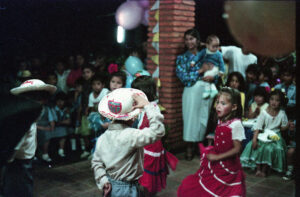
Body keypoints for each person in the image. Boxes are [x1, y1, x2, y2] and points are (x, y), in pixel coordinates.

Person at [92, 88, 165, 197]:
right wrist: (148, 105)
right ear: (133, 117)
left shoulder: (103, 138)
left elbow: (96, 162)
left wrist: (103, 180)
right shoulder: (131, 135)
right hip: (127, 189)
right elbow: (158, 130)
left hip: (110, 185)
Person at [177, 87, 246, 197]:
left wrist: (217, 157)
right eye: (217, 102)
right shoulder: (221, 120)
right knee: (209, 185)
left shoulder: (236, 124)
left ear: (234, 107)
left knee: (224, 190)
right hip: (217, 162)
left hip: (228, 165)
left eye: (223, 103)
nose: (218, 106)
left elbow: (237, 149)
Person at [3, 79, 56, 197]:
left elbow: (13, 149)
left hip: (21, 163)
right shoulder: (24, 120)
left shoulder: (27, 120)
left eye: (39, 98)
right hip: (18, 163)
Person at [131, 76, 178, 196]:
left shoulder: (152, 110)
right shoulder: (141, 108)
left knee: (147, 182)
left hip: (150, 151)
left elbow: (156, 128)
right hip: (144, 149)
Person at [176, 28, 215, 160]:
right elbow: (185, 78)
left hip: (207, 90)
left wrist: (211, 76)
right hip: (191, 91)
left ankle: (200, 146)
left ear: (198, 40)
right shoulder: (182, 58)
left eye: (191, 39)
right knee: (190, 119)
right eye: (186, 39)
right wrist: (200, 71)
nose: (189, 42)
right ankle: (189, 147)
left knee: (204, 119)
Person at [240, 89, 289, 177]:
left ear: (281, 102)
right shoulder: (264, 113)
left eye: (277, 100)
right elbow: (258, 127)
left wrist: (288, 125)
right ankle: (258, 169)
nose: (274, 102)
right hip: (264, 134)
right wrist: (254, 140)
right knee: (259, 147)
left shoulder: (282, 113)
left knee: (270, 148)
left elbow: (283, 128)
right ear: (269, 100)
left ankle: (265, 169)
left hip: (275, 135)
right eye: (272, 99)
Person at [52, 92, 71, 158]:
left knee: (64, 130)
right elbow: (55, 122)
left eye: (62, 101)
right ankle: (59, 151)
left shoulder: (66, 109)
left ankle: (61, 151)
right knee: (63, 130)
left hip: (62, 127)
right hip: (53, 127)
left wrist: (61, 122)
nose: (60, 103)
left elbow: (68, 121)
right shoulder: (53, 109)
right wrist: (62, 122)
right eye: (58, 101)